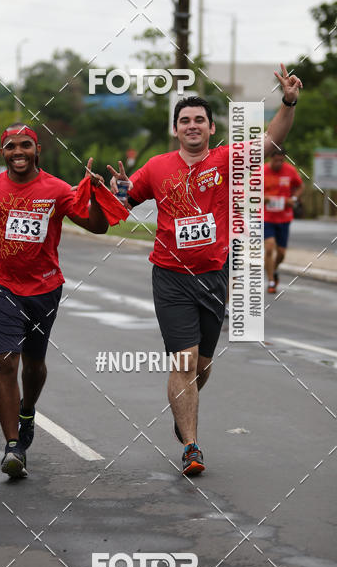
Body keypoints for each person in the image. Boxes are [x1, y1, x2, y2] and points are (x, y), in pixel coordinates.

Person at [109, 64, 302, 477]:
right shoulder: (157, 167)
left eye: (199, 120)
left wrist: (287, 102)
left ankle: (183, 410)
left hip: (214, 276)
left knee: (202, 367)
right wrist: (118, 191)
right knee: (183, 362)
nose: (192, 126)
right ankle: (192, 446)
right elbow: (126, 201)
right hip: (170, 277)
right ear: (175, 130)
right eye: (184, 121)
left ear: (211, 128)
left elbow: (270, 140)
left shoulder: (227, 158)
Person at [0, 124, 113, 480]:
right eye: (10, 147)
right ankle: (13, 446)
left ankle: (28, 409)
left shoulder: (57, 189)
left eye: (25, 146)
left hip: (44, 290)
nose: (17, 152)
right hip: (1, 288)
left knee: (34, 366)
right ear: (2, 152)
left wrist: (96, 194)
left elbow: (98, 228)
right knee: (6, 363)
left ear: (37, 150)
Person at [264, 146, 303, 293]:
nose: (279, 163)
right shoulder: (261, 172)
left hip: (284, 217)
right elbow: (249, 194)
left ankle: (273, 269)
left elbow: (300, 186)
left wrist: (293, 199)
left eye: (281, 160)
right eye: (276, 160)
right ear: (270, 158)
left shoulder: (290, 171)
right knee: (269, 247)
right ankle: (271, 282)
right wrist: (263, 199)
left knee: (281, 253)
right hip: (266, 217)